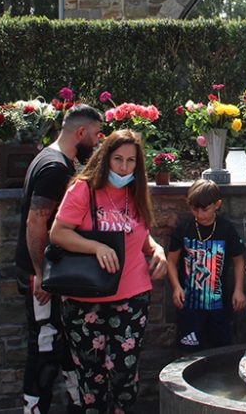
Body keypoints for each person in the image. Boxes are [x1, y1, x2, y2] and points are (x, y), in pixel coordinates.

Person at [49, 129, 168, 413]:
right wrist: (95, 247)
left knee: (125, 374)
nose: (124, 167)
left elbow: (139, 232)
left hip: (132, 295)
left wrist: (156, 249)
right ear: (105, 158)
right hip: (85, 297)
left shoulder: (136, 191)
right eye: (118, 159)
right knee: (92, 378)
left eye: (131, 161)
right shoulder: (83, 189)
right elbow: (58, 233)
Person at [14, 104, 104, 414]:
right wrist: (42, 273)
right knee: (44, 346)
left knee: (58, 347)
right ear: (80, 133)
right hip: (41, 277)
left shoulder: (51, 158)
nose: (97, 142)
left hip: (49, 275)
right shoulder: (55, 167)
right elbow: (36, 221)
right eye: (94, 135)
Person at [167, 179, 246, 352]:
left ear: (217, 204)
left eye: (205, 209)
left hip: (219, 306)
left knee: (221, 351)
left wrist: (238, 289)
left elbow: (238, 259)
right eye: (195, 209)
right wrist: (176, 287)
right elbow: (171, 261)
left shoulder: (226, 229)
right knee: (188, 353)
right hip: (189, 306)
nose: (200, 214)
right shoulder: (184, 228)